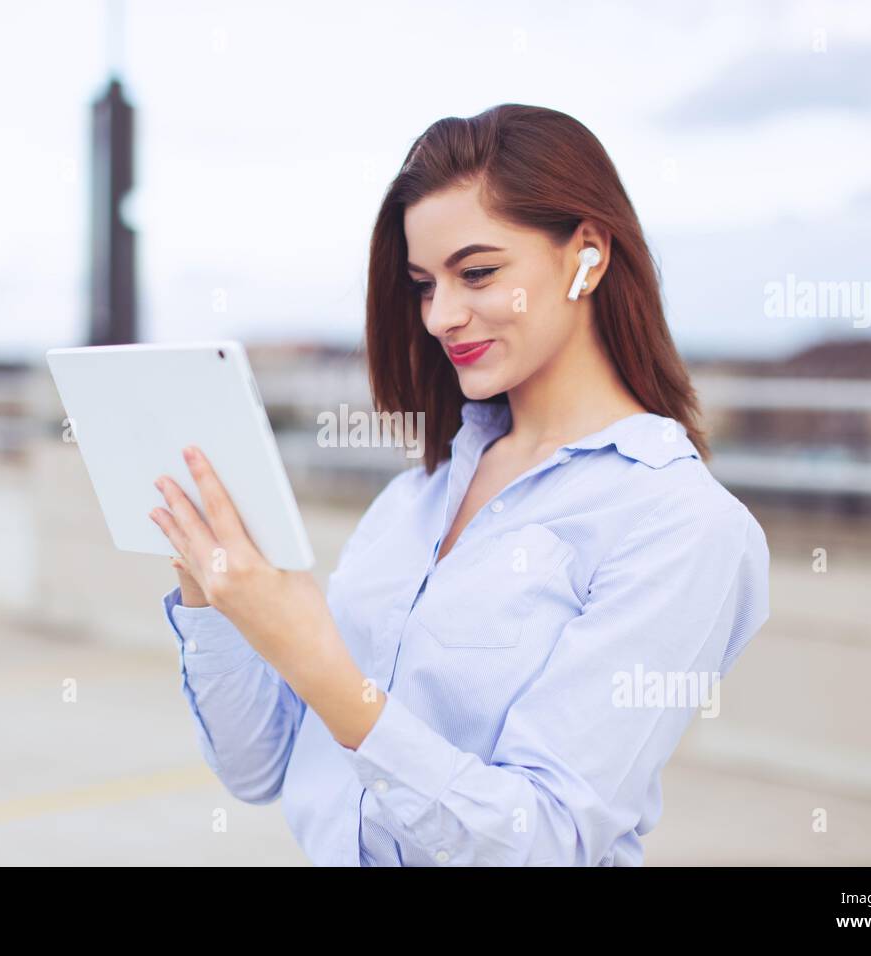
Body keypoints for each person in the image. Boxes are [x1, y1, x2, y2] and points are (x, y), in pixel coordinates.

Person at [150, 103, 770, 866]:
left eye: (477, 273)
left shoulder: (679, 524)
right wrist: (208, 581)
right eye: (422, 284)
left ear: (588, 255)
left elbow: (546, 838)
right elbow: (257, 768)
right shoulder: (413, 499)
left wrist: (320, 665)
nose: (441, 316)